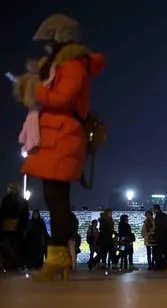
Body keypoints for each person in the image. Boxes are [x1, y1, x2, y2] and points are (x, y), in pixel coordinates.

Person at [12, 14, 105, 281]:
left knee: (57, 201)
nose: (46, 49)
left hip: (63, 137)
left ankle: (56, 259)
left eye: (49, 43)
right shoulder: (62, 65)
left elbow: (63, 98)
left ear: (59, 38)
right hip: (55, 137)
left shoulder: (73, 65)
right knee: (55, 199)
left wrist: (34, 89)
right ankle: (58, 259)